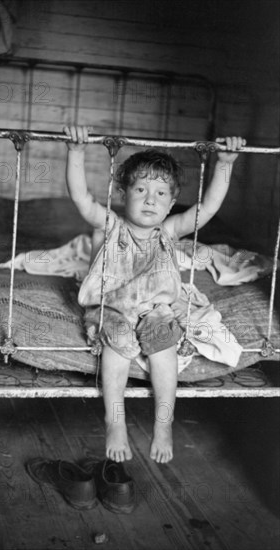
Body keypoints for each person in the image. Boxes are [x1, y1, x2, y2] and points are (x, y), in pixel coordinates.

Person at [64, 124, 245, 464]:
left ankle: (164, 422)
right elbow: (80, 198)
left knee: (164, 348)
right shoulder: (111, 224)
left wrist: (225, 163)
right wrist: (75, 152)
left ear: (172, 202)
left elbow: (208, 208)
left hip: (155, 308)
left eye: (161, 194)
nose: (151, 199)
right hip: (113, 307)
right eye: (141, 189)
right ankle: (114, 419)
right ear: (122, 194)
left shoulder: (170, 230)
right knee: (117, 345)